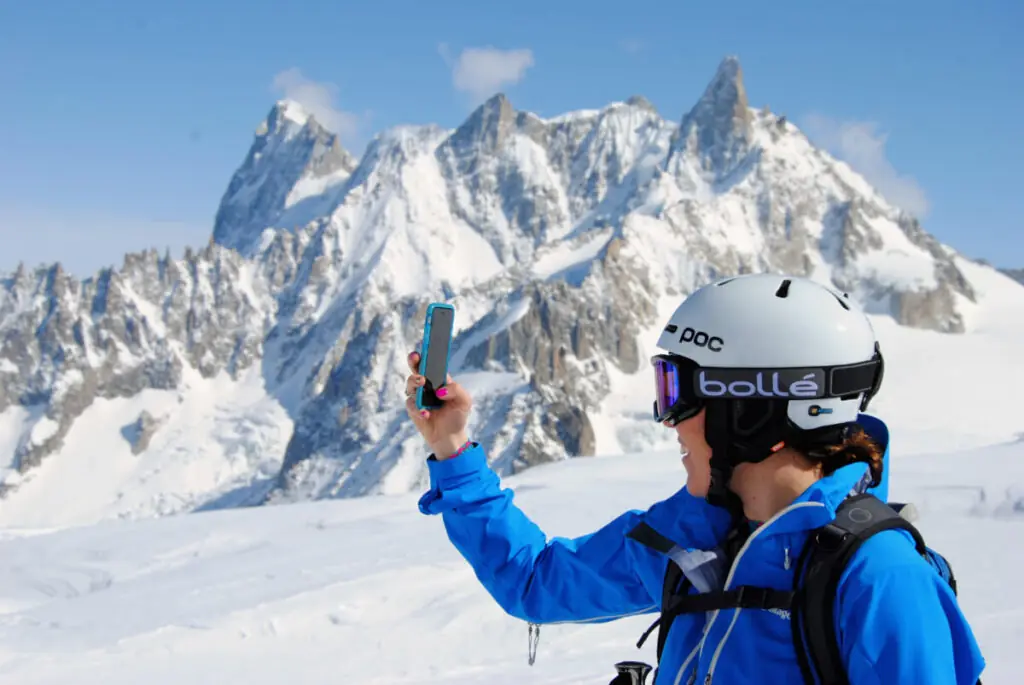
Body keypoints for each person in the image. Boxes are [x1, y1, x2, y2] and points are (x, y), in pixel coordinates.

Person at [405, 273, 986, 685]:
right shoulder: (691, 539)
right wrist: (453, 450)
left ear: (753, 412)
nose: (669, 423)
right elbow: (536, 583)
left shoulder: (879, 582)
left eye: (678, 392)